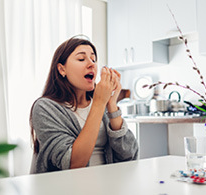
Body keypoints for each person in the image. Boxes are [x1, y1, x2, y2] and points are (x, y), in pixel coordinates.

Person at [29, 36, 138, 174]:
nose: (91, 64)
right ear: (62, 69)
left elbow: (129, 154)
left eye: (93, 59)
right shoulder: (45, 108)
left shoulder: (101, 103)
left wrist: (111, 105)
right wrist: (99, 103)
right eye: (81, 59)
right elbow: (73, 163)